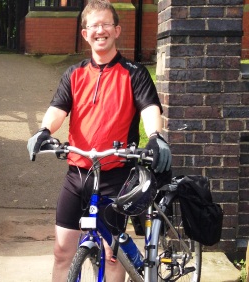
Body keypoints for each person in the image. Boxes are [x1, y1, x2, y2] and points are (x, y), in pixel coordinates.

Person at [27, 0, 171, 281]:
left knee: (112, 256)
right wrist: (44, 130)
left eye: (106, 24)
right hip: (77, 174)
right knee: (61, 252)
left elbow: (149, 108)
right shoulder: (74, 73)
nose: (100, 31)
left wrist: (155, 136)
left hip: (115, 176)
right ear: (85, 34)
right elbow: (59, 108)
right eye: (94, 25)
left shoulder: (134, 73)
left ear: (117, 30)